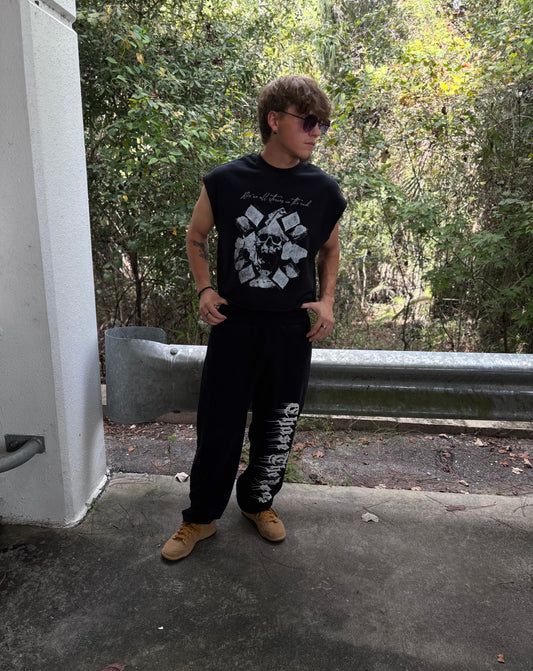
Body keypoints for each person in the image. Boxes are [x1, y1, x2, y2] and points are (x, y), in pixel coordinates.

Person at [162, 75, 347, 561]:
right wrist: (205, 288)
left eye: (323, 125)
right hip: (236, 325)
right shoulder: (227, 181)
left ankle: (258, 502)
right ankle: (201, 517)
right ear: (275, 120)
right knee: (219, 426)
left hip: (290, 329)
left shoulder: (323, 190)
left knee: (278, 426)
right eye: (309, 122)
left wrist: (327, 301)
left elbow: (330, 250)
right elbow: (196, 236)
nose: (317, 132)